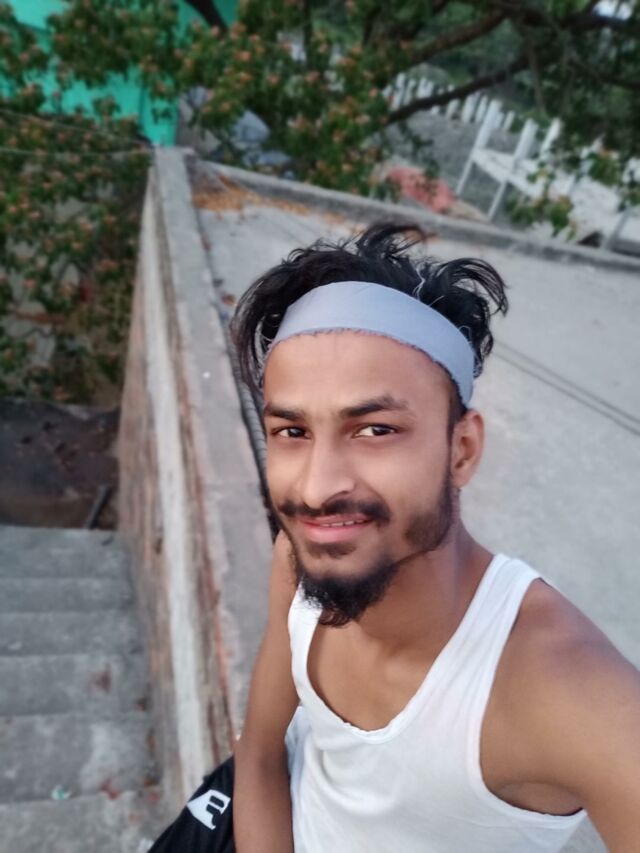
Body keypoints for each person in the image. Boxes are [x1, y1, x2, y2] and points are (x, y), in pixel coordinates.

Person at [150, 223, 640, 853]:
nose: (318, 489)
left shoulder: (574, 696)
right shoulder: (298, 559)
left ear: (461, 450)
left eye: (375, 429)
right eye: (292, 432)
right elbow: (262, 753)